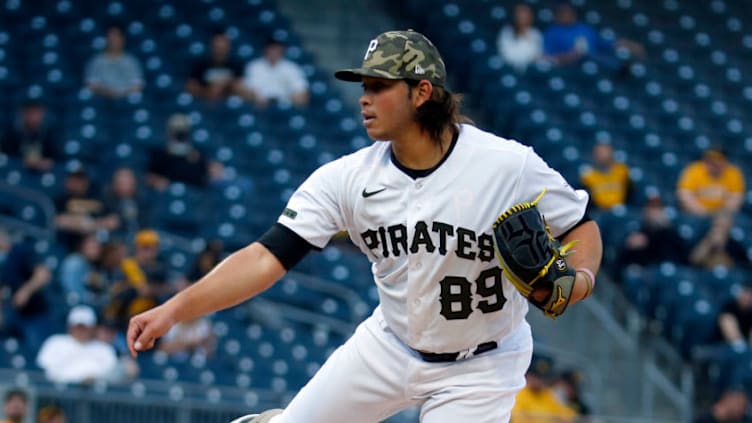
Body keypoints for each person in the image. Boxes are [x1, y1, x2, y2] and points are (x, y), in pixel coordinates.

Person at [127, 29, 602, 422]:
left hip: (481, 365)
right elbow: (265, 257)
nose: (365, 98)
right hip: (389, 346)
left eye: (379, 86)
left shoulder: (507, 165)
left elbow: (580, 225)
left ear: (422, 92)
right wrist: (175, 309)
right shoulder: (348, 178)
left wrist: (579, 280)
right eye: (363, 86)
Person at [543, 2, 644, 69]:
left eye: (568, 13)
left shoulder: (584, 28)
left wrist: (625, 43)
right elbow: (548, 57)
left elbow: (602, 43)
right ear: (556, 16)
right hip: (571, 68)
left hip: (595, 61)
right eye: (562, 13)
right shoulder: (552, 32)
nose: (566, 15)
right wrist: (570, 56)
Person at [105, 229, 171, 330]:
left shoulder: (160, 268)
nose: (150, 251)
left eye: (153, 247)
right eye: (146, 247)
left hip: (148, 320)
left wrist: (153, 289)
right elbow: (142, 290)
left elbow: (170, 289)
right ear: (137, 248)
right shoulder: (127, 265)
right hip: (123, 319)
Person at [36, 305, 119, 384]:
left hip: (95, 395)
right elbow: (45, 370)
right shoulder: (55, 342)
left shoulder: (104, 348)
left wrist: (94, 378)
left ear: (93, 328)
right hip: (58, 393)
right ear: (70, 326)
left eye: (85, 327)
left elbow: (112, 373)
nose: (81, 330)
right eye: (78, 327)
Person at [0, 237, 53, 351]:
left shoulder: (20, 251)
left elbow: (43, 275)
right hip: (10, 313)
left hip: (34, 315)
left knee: (37, 352)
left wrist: (26, 290)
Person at [146, 113, 224, 190]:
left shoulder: (199, 155)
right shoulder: (160, 155)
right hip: (168, 194)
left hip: (195, 195)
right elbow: (150, 177)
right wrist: (156, 182)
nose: (180, 135)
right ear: (169, 132)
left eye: (182, 131)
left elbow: (209, 175)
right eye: (177, 130)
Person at [54, 166, 119, 249]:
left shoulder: (97, 196)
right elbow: (58, 220)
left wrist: (91, 225)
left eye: (80, 179)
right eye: (72, 179)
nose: (76, 183)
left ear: (86, 181)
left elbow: (113, 220)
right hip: (70, 243)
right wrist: (81, 224)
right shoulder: (61, 200)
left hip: (98, 241)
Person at [616, 195, 688, 270]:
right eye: (652, 208)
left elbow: (682, 256)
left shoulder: (671, 233)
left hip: (669, 269)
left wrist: (665, 228)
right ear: (645, 211)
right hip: (646, 271)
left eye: (658, 208)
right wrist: (629, 246)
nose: (655, 213)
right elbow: (622, 259)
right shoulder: (637, 231)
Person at [676, 146, 745, 217]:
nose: (713, 165)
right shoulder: (694, 170)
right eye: (709, 161)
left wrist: (720, 212)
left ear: (725, 162)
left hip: (721, 215)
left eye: (718, 161)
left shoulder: (733, 173)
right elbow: (685, 195)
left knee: (724, 220)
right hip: (696, 213)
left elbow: (736, 198)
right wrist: (702, 211)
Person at [240, 38, 309, 108]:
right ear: (266, 50)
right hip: (259, 104)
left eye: (277, 49)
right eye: (272, 49)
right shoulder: (254, 66)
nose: (274, 52)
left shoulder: (291, 67)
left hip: (285, 104)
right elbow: (249, 88)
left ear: (282, 50)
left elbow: (300, 89)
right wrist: (257, 97)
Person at [512, 355, 578, 423]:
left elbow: (570, 417)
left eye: (543, 378)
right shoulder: (518, 393)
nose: (539, 381)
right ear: (528, 375)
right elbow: (518, 420)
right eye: (536, 376)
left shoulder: (546, 394)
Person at [84, 24, 144, 99]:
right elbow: (91, 85)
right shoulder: (96, 61)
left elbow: (138, 85)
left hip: (126, 101)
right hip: (102, 100)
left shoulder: (131, 61)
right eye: (110, 37)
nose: (113, 40)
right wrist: (108, 93)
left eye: (116, 37)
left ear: (123, 39)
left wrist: (120, 94)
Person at [0, 99, 60, 171]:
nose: (33, 117)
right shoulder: (12, 132)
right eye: (29, 112)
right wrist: (22, 162)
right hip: (17, 171)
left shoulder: (51, 131)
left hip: (45, 172)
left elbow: (58, 158)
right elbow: (5, 157)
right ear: (22, 113)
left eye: (36, 112)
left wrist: (45, 163)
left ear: (42, 113)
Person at [185, 29, 244, 102]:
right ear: (212, 45)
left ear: (228, 46)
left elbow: (240, 86)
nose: (220, 47)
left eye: (223, 44)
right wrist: (208, 91)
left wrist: (223, 85)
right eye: (217, 44)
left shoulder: (236, 65)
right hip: (204, 100)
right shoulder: (201, 65)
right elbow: (191, 86)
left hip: (228, 101)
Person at [58, 233, 108, 307]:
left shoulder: (91, 264)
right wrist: (93, 299)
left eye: (98, 246)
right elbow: (72, 293)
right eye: (92, 246)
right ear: (82, 246)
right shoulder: (75, 262)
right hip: (70, 307)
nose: (96, 250)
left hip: (83, 304)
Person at [579, 141, 631, 210]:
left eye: (605, 152)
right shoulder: (588, 175)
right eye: (599, 153)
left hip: (621, 209)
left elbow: (630, 193)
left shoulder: (622, 170)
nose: (603, 155)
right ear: (594, 155)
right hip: (598, 211)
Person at [102, 167, 148, 240]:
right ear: (114, 185)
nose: (124, 187)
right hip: (115, 240)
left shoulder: (144, 202)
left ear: (134, 183)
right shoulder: (106, 202)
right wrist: (103, 223)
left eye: (127, 183)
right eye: (120, 183)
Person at [496, 4, 543, 72]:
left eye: (525, 15)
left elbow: (537, 55)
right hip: (509, 68)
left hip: (531, 70)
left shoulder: (535, 33)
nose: (522, 17)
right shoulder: (506, 32)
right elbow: (506, 55)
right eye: (520, 15)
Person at [717, 286, 752, 351]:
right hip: (723, 344)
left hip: (747, 345)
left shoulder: (750, 311)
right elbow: (726, 322)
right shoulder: (729, 306)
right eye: (745, 294)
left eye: (750, 295)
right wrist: (739, 344)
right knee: (727, 320)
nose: (747, 298)